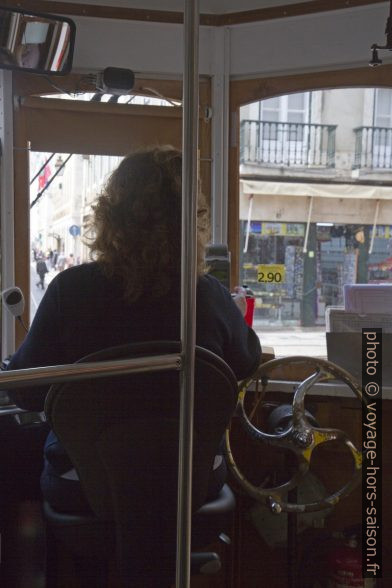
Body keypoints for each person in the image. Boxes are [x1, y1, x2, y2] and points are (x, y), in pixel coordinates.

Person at [7, 146, 261, 513]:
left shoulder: (70, 290)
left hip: (84, 486)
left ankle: (54, 570)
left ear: (110, 216)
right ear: (193, 221)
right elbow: (246, 363)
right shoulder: (209, 295)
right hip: (193, 482)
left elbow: (26, 393)